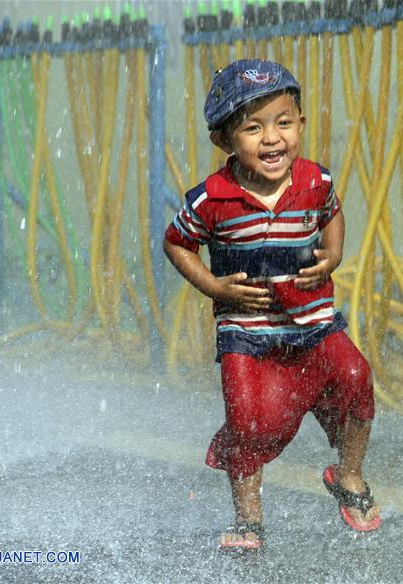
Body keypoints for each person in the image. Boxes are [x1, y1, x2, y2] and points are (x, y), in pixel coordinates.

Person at [162, 59, 382, 550]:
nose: (272, 139)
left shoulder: (314, 181)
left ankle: (348, 475)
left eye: (284, 123)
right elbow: (176, 242)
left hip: (312, 321)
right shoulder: (211, 199)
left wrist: (334, 254)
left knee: (356, 377)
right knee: (247, 421)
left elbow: (333, 211)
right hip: (246, 331)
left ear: (300, 125)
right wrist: (213, 288)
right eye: (253, 128)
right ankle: (248, 521)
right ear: (224, 140)